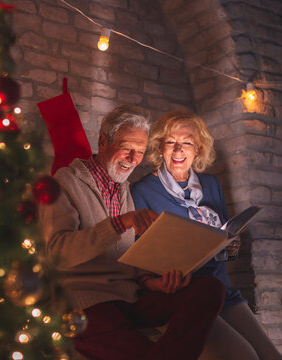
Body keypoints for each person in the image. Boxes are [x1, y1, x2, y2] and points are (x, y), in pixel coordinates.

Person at [39, 104, 226, 360]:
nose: (133, 159)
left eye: (139, 152)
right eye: (126, 148)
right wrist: (120, 223)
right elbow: (57, 252)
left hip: (128, 295)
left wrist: (151, 281)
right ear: (102, 142)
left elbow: (126, 255)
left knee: (209, 288)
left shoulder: (122, 187)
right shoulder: (66, 182)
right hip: (83, 303)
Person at [131, 110, 282, 360]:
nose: (178, 149)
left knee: (272, 357)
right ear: (160, 147)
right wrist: (154, 279)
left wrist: (231, 247)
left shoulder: (211, 185)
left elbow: (223, 236)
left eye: (187, 142)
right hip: (185, 297)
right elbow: (138, 257)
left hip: (223, 290)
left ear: (198, 149)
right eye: (170, 142)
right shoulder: (142, 191)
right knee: (244, 357)